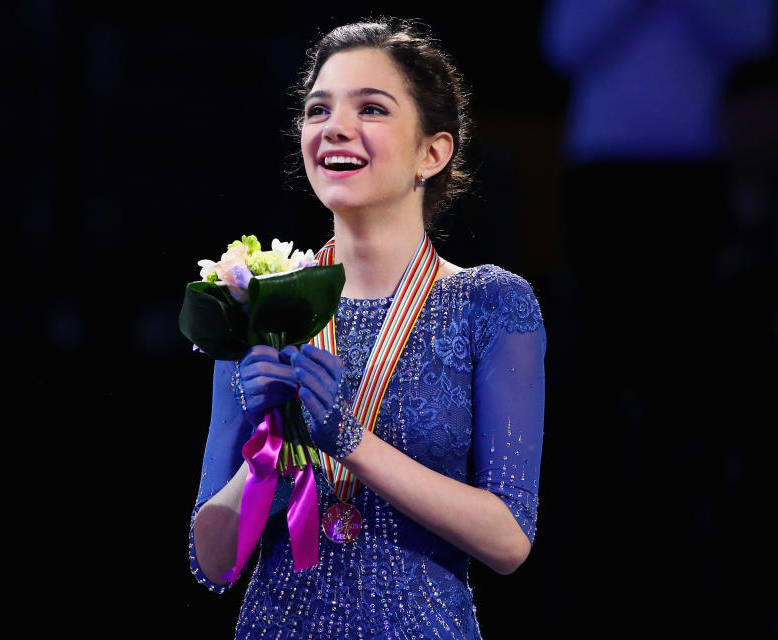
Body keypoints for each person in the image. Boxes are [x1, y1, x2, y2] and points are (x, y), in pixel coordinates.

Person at [188, 17, 547, 639]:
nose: (335, 127)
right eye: (318, 108)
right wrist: (266, 455)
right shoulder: (259, 306)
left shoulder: (490, 303)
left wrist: (349, 439)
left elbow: (509, 539)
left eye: (372, 109)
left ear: (432, 152)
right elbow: (213, 564)